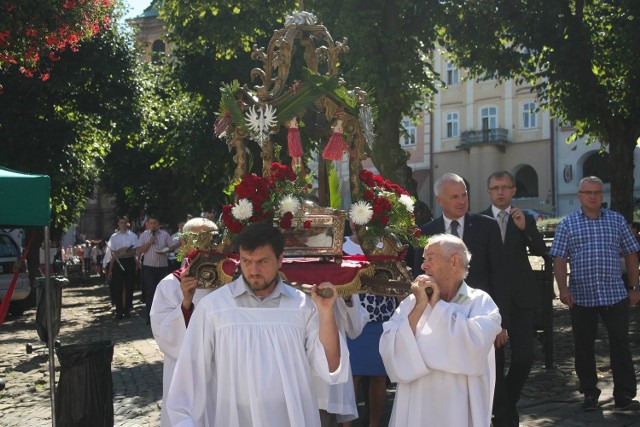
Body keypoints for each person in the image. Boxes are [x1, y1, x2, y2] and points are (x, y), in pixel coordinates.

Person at [165, 223, 348, 426]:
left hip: (290, 417)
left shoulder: (303, 306)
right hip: (233, 418)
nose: (253, 270)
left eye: (262, 261)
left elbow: (331, 365)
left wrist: (326, 312)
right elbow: (190, 372)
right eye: (246, 261)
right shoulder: (214, 307)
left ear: (280, 260)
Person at [380, 234, 502, 426]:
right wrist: (420, 307)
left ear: (454, 262)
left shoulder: (480, 302)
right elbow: (390, 347)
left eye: (430, 259)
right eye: (424, 259)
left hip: (459, 408)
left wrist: (437, 305)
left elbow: (473, 348)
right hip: (416, 402)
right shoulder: (412, 302)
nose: (423, 266)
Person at [550, 176, 640, 411]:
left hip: (615, 294)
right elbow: (558, 259)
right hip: (581, 295)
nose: (593, 196)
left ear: (603, 196)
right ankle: (589, 392)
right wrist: (563, 289)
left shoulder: (616, 220)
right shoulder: (568, 224)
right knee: (583, 346)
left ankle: (624, 393)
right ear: (579, 196)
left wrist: (634, 287)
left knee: (620, 344)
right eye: (588, 192)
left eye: (597, 193)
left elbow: (632, 253)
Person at [479, 170, 548, 426]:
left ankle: (507, 399)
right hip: (492, 299)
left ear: (513, 190)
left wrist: (526, 230)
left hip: (521, 298)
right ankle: (504, 413)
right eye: (495, 187)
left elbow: (541, 252)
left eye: (505, 187)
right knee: (495, 361)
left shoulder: (525, 218)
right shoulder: (480, 220)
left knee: (524, 358)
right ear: (488, 191)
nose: (500, 192)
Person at [150, 217, 219, 427]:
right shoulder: (169, 285)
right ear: (185, 244)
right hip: (186, 374)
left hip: (223, 370)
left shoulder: (231, 281)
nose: (204, 247)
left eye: (210, 240)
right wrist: (186, 303)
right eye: (197, 240)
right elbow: (165, 335)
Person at [342, 225, 394, 427]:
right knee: (352, 376)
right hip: (351, 317)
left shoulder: (386, 243)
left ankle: (374, 423)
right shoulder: (342, 244)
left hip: (381, 316)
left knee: (379, 376)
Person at [136, 215, 178, 321]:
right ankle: (150, 317)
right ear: (148, 224)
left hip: (162, 267)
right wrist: (150, 242)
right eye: (151, 223)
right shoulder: (144, 235)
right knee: (150, 292)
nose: (153, 225)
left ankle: (162, 316)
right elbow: (139, 251)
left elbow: (172, 247)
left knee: (163, 292)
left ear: (158, 224)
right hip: (149, 267)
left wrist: (165, 250)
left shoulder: (164, 234)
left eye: (155, 223)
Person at [104, 216, 138, 319]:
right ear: (118, 224)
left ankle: (127, 310)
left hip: (129, 262)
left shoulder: (133, 236)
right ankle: (119, 311)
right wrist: (110, 269)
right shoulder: (114, 237)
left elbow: (133, 251)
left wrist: (121, 252)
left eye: (124, 222)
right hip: (118, 263)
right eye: (121, 222)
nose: (123, 224)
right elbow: (113, 253)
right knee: (117, 287)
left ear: (127, 223)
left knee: (129, 287)